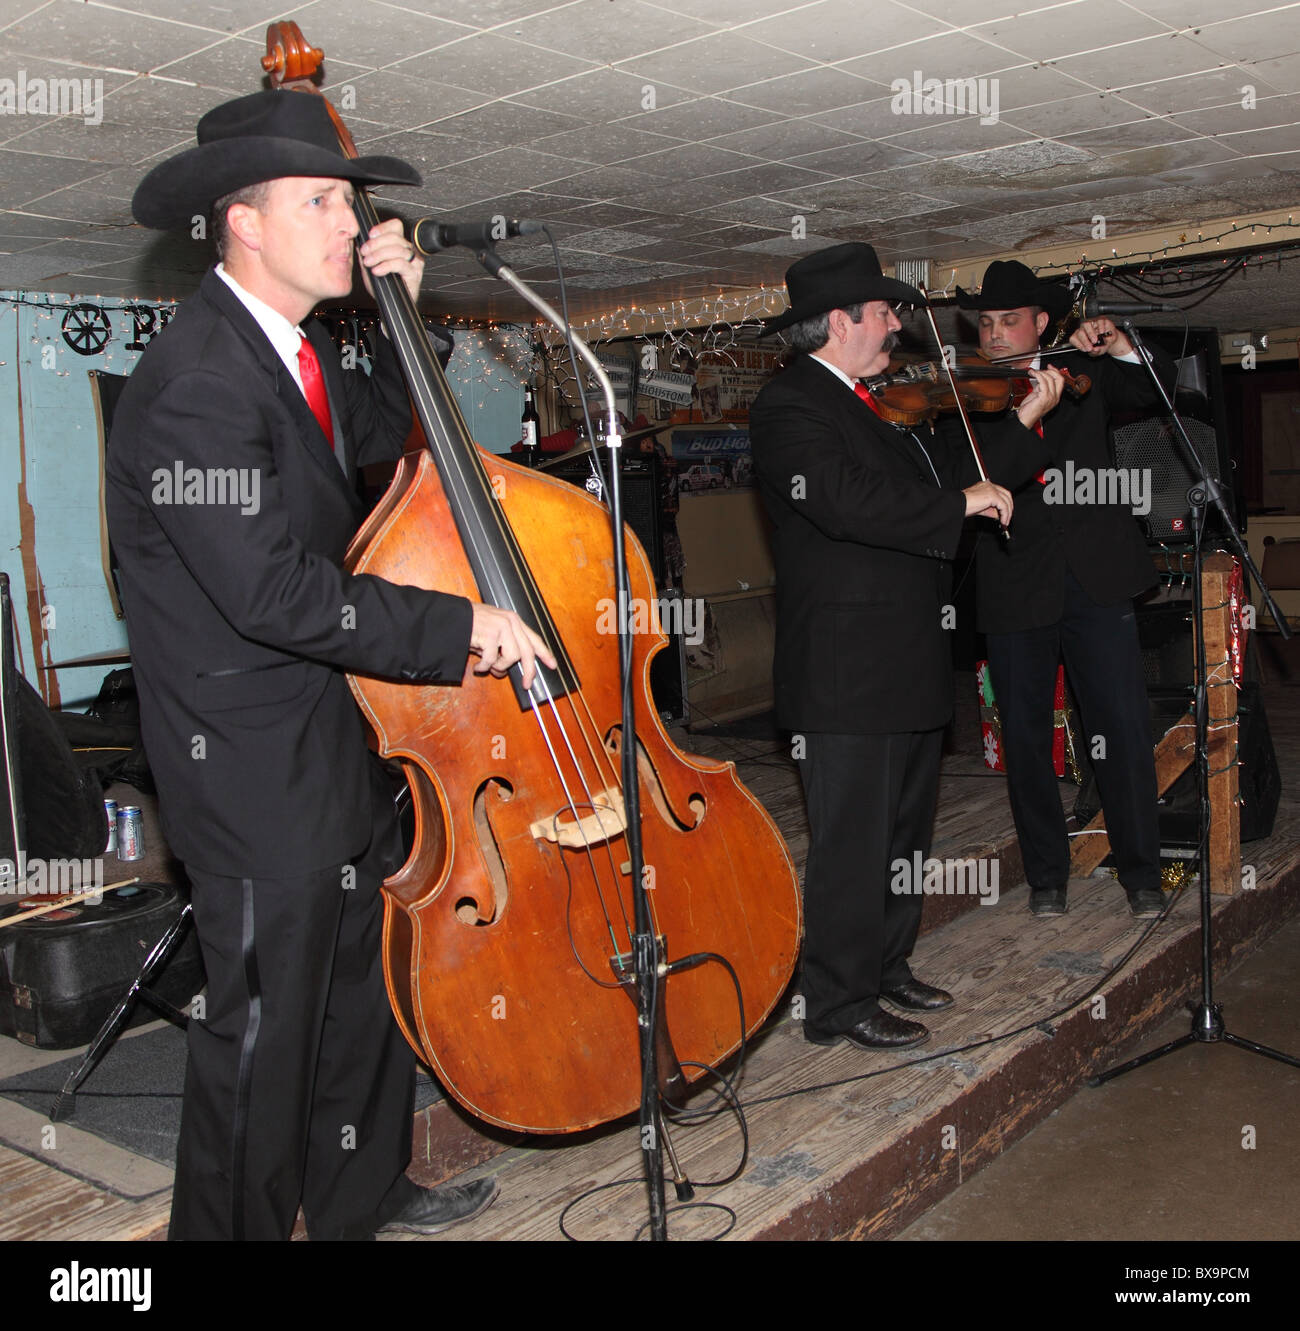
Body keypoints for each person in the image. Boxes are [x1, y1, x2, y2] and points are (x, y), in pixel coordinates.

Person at [106, 90, 554, 1240]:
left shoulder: (288, 351)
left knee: (355, 995)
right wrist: (458, 629)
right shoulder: (198, 382)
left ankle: (360, 1195)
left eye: (350, 201)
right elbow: (269, 591)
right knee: (261, 1031)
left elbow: (371, 434)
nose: (349, 222)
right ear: (239, 220)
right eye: (320, 200)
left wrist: (408, 312)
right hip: (251, 771)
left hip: (333, 743)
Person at [750, 244, 1061, 1051]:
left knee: (901, 837)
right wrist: (958, 499)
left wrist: (1018, 428)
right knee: (852, 843)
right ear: (844, 319)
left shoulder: (880, 405)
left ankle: (885, 967)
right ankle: (836, 1001)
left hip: (907, 657)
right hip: (846, 670)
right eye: (885, 311)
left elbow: (953, 472)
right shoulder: (791, 405)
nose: (897, 324)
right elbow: (847, 500)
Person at [957, 260, 1175, 918]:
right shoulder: (972, 396)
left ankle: (1142, 871)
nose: (995, 336)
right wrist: (1022, 411)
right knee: (1024, 736)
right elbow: (983, 476)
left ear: (1042, 322)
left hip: (1096, 575)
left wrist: (1122, 343)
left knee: (1123, 726)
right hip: (1015, 578)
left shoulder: (1085, 370)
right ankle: (1047, 876)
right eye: (987, 324)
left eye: (1008, 322)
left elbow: (1166, 383)